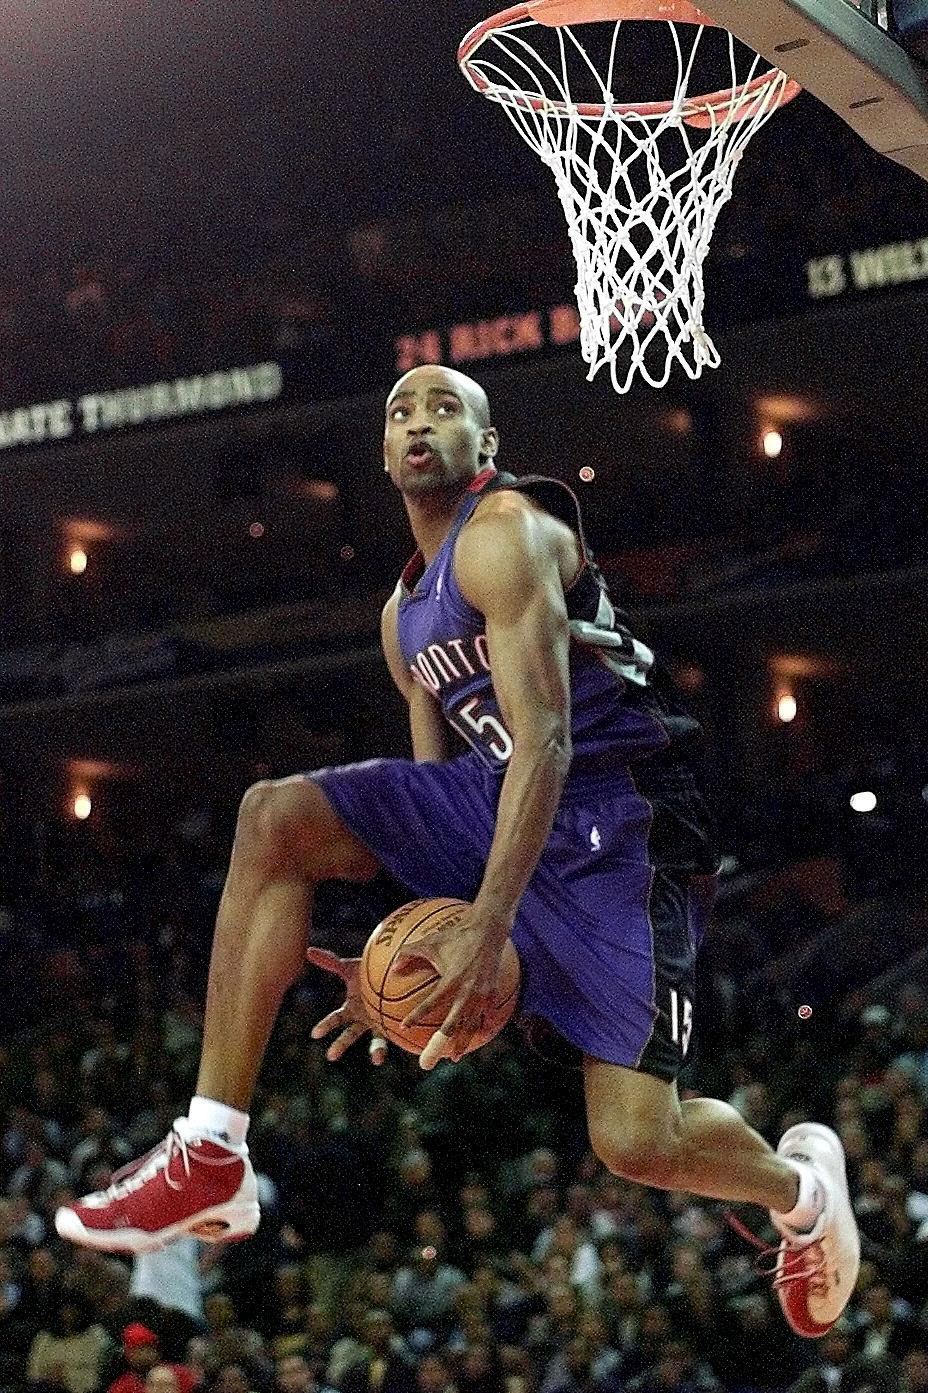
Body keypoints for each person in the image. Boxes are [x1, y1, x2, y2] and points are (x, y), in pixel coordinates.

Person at [55, 364, 859, 1339]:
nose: (419, 422)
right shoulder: (403, 619)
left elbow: (551, 740)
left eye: (446, 408)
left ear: (487, 448)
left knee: (636, 1140)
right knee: (273, 818)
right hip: (505, 801)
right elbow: (442, 786)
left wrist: (484, 923)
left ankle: (801, 1191)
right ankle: (211, 1149)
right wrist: (406, 942)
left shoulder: (505, 535)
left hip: (625, 815)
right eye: (400, 410)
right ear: (384, 454)